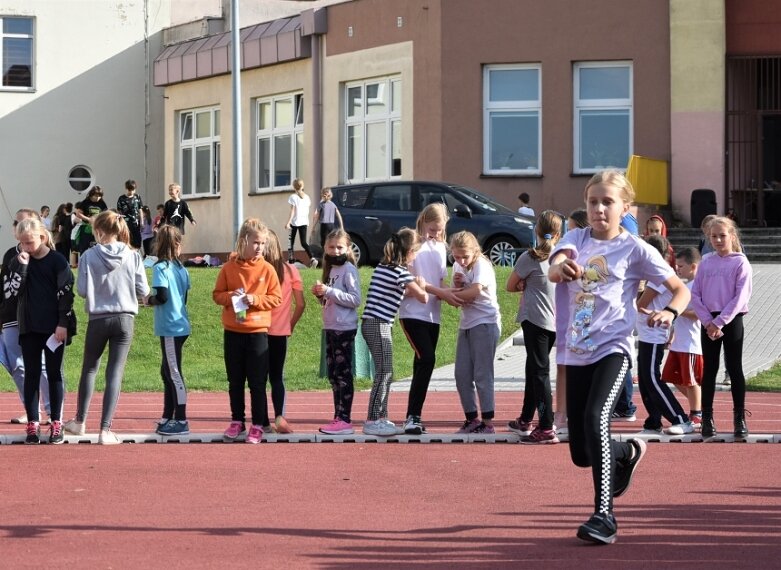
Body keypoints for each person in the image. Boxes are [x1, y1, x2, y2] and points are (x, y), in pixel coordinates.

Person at [549, 169, 690, 544]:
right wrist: (561, 267)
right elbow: (555, 265)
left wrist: (670, 312)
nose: (598, 209)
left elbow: (679, 290)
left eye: (607, 202)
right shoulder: (575, 238)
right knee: (581, 452)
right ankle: (627, 452)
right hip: (577, 351)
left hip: (614, 349)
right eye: (593, 201)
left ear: (625, 208)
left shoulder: (635, 248)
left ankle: (604, 516)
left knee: (598, 418)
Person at [63, 210, 150, 445]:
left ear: (98, 230)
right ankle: (105, 429)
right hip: (124, 317)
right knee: (115, 372)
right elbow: (144, 289)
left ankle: (80, 421)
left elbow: (81, 290)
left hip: (98, 318)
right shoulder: (132, 255)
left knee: (90, 368)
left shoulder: (89, 255)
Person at [212, 219, 281, 444]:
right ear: (244, 241)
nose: (260, 247)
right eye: (256, 242)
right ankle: (237, 421)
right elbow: (217, 295)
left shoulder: (268, 269)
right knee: (235, 381)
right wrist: (231, 298)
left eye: (263, 243)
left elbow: (276, 298)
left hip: (258, 331)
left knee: (257, 382)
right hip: (233, 331)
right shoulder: (228, 267)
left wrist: (255, 299)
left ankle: (258, 424)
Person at [10, 217, 74, 444]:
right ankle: (33, 423)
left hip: (53, 328)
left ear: (42, 236)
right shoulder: (18, 261)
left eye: (30, 242)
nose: (26, 247)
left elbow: (67, 293)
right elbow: (13, 292)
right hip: (29, 328)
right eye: (22, 243)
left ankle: (56, 422)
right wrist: (22, 266)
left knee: (54, 373)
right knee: (32, 375)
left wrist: (63, 324)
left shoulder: (57, 261)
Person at [399, 203, 461, 435]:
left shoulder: (439, 248)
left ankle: (413, 415)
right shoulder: (413, 244)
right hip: (412, 312)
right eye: (432, 228)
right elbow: (413, 281)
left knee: (422, 363)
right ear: (423, 221)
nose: (435, 234)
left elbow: (440, 282)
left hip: (433, 315)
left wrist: (453, 292)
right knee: (427, 359)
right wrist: (441, 292)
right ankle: (412, 416)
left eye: (439, 230)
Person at [690, 216, 753, 440]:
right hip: (709, 321)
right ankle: (707, 417)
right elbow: (695, 293)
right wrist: (708, 321)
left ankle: (739, 418)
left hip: (731, 319)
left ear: (732, 236)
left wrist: (719, 322)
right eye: (713, 236)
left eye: (722, 236)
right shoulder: (706, 261)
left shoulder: (740, 262)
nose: (717, 240)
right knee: (709, 370)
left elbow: (740, 297)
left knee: (734, 367)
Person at [361, 228, 428, 436]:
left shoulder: (384, 267)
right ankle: (372, 419)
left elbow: (399, 290)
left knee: (386, 371)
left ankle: (381, 416)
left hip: (373, 323)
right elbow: (422, 297)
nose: (416, 257)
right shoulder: (401, 272)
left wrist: (412, 286)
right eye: (415, 253)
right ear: (408, 252)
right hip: (378, 324)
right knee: (384, 372)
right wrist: (421, 285)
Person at [506, 211, 561, 444]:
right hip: (554, 321)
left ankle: (546, 426)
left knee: (539, 373)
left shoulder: (530, 257)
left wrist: (524, 284)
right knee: (533, 369)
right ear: (559, 234)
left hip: (535, 320)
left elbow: (510, 285)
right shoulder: (561, 257)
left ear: (536, 231)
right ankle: (526, 418)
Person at [634, 234, 694, 435]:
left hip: (653, 333)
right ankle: (653, 420)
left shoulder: (658, 276)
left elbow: (641, 304)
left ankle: (680, 418)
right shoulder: (653, 276)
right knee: (644, 379)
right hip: (646, 333)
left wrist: (638, 290)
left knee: (651, 378)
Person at [0, 209, 53, 425]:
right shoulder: (9, 255)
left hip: (38, 319)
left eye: (28, 223)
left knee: (41, 365)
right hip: (12, 318)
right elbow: (5, 290)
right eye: (18, 223)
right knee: (18, 366)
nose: (22, 228)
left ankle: (52, 411)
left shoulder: (48, 254)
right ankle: (32, 410)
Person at [450, 230, 501, 434]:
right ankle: (471, 418)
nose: (461, 261)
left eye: (465, 256)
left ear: (475, 252)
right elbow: (462, 291)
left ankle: (488, 422)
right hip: (467, 323)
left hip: (485, 322)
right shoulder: (457, 265)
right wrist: (457, 286)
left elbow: (475, 291)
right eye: (456, 256)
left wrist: (452, 294)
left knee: (482, 373)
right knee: (461, 373)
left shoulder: (481, 264)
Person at [311, 229, 361, 435]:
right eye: (331, 247)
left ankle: (345, 418)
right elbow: (331, 299)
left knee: (343, 374)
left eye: (339, 247)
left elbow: (355, 299)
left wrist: (330, 291)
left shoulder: (349, 269)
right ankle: (337, 415)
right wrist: (321, 295)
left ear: (348, 248)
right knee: (333, 374)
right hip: (330, 326)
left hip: (344, 328)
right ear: (325, 248)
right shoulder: (331, 269)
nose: (335, 250)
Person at [145, 225, 191, 436]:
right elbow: (184, 298)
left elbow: (162, 297)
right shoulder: (182, 269)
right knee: (166, 371)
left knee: (173, 372)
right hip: (179, 323)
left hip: (170, 326)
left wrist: (148, 300)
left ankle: (181, 419)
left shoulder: (161, 268)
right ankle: (168, 414)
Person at [552, 209, 590, 436]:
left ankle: (584, 413)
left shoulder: (595, 248)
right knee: (563, 364)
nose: (570, 233)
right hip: (568, 315)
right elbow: (556, 261)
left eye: (573, 228)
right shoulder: (569, 245)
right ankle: (561, 414)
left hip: (588, 315)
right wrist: (558, 265)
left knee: (586, 367)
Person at [263, 229, 305, 434]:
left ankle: (262, 421)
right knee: (277, 377)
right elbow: (301, 304)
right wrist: (291, 324)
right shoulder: (290, 271)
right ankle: (279, 415)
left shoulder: (260, 270)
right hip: (280, 332)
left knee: (258, 378)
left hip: (259, 330)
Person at [661, 247, 704, 431]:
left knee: (691, 381)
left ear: (693, 267)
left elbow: (699, 314)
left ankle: (697, 414)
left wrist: (677, 310)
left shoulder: (698, 287)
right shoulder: (684, 286)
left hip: (691, 343)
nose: (677, 269)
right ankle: (701, 406)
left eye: (681, 266)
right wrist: (671, 335)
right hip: (679, 342)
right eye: (676, 265)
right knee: (673, 378)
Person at [286, 178, 317, 267]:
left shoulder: (293, 197)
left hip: (295, 222)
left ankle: (291, 260)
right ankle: (312, 258)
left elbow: (292, 211)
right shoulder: (307, 197)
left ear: (294, 187)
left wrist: (288, 222)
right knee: (303, 242)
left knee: (290, 242)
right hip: (304, 222)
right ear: (303, 186)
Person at [74, 186, 108, 254]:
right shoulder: (85, 202)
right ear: (91, 195)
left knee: (98, 245)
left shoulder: (102, 203)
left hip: (98, 228)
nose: (97, 198)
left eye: (99, 196)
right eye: (96, 196)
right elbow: (78, 214)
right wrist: (88, 219)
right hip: (87, 228)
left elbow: (105, 213)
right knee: (84, 247)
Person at [117, 179, 145, 249]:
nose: (131, 192)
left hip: (136, 224)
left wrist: (142, 222)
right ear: (126, 189)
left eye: (133, 190)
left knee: (137, 242)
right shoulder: (121, 198)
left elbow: (140, 210)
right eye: (130, 190)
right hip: (125, 224)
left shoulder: (137, 197)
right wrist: (120, 223)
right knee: (126, 241)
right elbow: (119, 212)